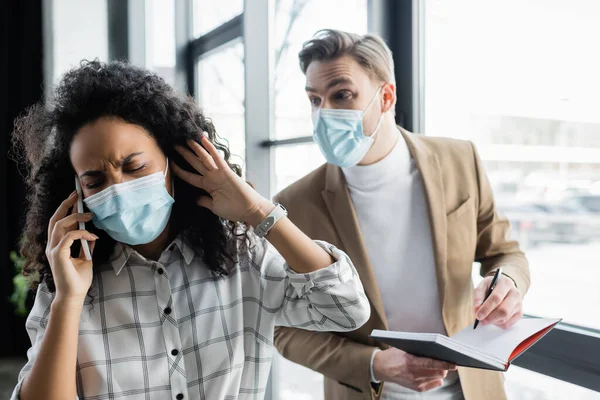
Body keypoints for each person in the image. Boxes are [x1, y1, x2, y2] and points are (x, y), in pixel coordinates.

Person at [10, 60, 370, 400]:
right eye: (95, 180)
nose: (117, 188)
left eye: (134, 166)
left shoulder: (242, 257)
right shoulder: (67, 286)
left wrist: (259, 211)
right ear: (76, 193)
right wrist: (69, 300)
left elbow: (346, 309)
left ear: (172, 161)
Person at [273, 30, 530, 400]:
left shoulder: (460, 160)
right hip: (369, 392)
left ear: (387, 96)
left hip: (471, 388)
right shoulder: (295, 205)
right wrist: (374, 364)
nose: (323, 113)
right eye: (315, 99)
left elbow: (506, 253)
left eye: (341, 95)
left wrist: (509, 283)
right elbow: (285, 328)